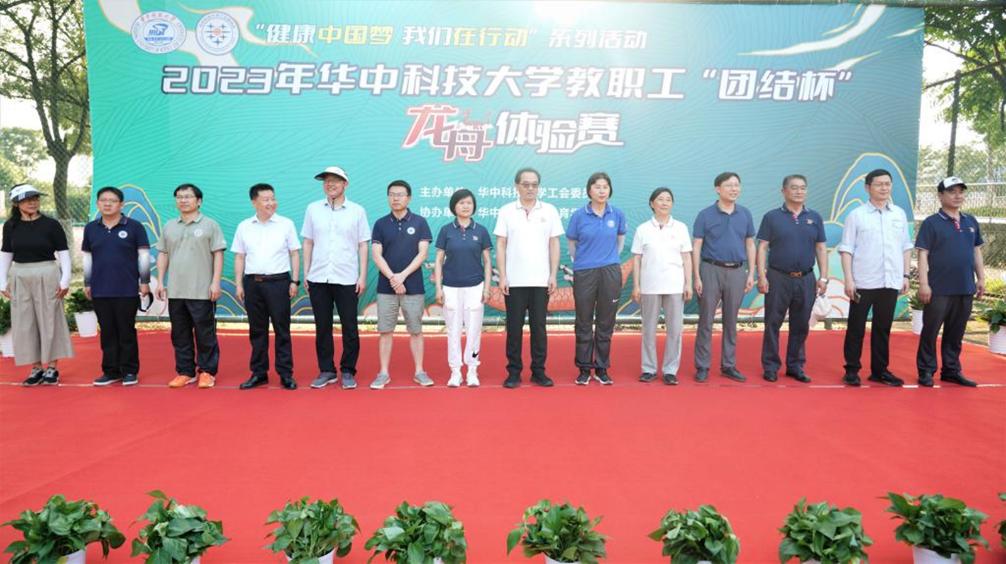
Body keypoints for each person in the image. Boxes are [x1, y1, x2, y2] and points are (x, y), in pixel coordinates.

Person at [837, 168, 913, 387]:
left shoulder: (898, 214)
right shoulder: (856, 215)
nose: (884, 188)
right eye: (879, 184)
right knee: (856, 328)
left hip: (890, 281)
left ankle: (880, 371)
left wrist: (905, 275)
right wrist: (849, 279)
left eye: (887, 184)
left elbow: (906, 246)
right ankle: (852, 370)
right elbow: (847, 249)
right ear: (867, 187)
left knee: (883, 328)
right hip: (863, 282)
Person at [494, 167, 564, 388]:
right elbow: (501, 244)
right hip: (514, 281)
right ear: (517, 186)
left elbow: (554, 243)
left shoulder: (549, 210)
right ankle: (514, 372)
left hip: (541, 281)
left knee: (539, 328)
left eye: (534, 184)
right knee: (514, 329)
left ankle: (538, 371)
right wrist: (503, 276)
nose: (530, 188)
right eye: (526, 184)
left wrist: (553, 275)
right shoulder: (507, 211)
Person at [302, 166, 370, 390]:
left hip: (347, 277)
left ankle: (348, 370)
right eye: (326, 181)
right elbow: (308, 242)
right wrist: (306, 273)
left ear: (345, 184)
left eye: (335, 180)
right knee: (322, 326)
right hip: (318, 277)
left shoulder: (357, 211)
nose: (330, 184)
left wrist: (362, 276)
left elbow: (363, 245)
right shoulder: (313, 209)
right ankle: (327, 370)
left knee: (350, 326)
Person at [755, 175, 828, 383]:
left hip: (806, 278)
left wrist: (824, 277)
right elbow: (762, 247)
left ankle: (795, 366)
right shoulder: (772, 217)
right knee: (772, 323)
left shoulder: (814, 217)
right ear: (784, 191)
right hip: (778, 277)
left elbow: (821, 248)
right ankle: (771, 366)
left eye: (803, 188)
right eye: (794, 188)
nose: (799, 192)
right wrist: (762, 276)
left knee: (801, 324)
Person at [154, 183, 226, 389]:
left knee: (205, 333)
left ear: (199, 201)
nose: (183, 200)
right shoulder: (170, 226)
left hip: (202, 290)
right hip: (176, 290)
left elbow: (218, 254)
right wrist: (160, 281)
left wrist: (215, 282)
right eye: (179, 197)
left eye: (188, 196)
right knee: (180, 333)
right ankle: (185, 371)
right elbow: (163, 254)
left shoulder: (210, 225)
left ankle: (207, 371)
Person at [915, 176, 986, 387]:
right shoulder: (931, 223)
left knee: (956, 333)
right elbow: (923, 254)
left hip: (965, 287)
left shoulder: (970, 221)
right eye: (952, 191)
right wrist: (924, 283)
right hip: (938, 288)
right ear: (940, 196)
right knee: (930, 331)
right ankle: (926, 371)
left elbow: (976, 251)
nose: (957, 196)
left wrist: (981, 278)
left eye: (961, 191)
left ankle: (951, 370)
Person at [0, 184, 73, 385]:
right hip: (20, 275)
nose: (32, 202)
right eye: (26, 199)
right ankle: (36, 368)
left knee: (50, 319)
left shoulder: (51, 225)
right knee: (25, 322)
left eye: (35, 198)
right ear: (16, 203)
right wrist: (2, 282)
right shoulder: (10, 226)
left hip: (47, 273)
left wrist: (65, 280)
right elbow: (6, 254)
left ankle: (52, 368)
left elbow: (64, 253)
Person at [231, 183, 301, 390]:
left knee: (282, 329)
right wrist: (238, 284)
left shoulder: (286, 224)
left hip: (279, 283)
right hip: (253, 283)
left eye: (273, 198)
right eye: (266, 199)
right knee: (257, 330)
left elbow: (294, 253)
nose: (271, 203)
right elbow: (240, 257)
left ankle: (285, 373)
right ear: (254, 202)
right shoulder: (244, 226)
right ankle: (259, 373)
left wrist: (294, 281)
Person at [82, 186, 151, 386]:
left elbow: (144, 256)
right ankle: (111, 371)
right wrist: (87, 282)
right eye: (103, 200)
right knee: (107, 331)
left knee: (126, 330)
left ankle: (129, 371)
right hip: (100, 288)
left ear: (121, 204)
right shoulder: (91, 228)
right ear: (98, 204)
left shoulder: (134, 227)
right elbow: (87, 257)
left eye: (112, 201)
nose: (107, 204)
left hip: (127, 288)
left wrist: (144, 281)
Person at [692, 172, 756, 383]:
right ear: (717, 189)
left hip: (737, 271)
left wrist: (751, 273)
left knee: (731, 320)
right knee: (706, 320)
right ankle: (702, 366)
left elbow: (750, 244)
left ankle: (728, 365)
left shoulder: (745, 214)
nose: (734, 189)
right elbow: (697, 246)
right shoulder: (705, 215)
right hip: (711, 270)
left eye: (737, 185)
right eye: (729, 185)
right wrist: (696, 276)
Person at [370, 180, 433, 389]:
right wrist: (393, 278)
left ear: (409, 198)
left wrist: (402, 276)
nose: (395, 198)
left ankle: (420, 371)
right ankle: (383, 373)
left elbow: (422, 254)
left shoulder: (420, 222)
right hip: (386, 287)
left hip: (413, 286)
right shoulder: (380, 224)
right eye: (392, 194)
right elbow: (376, 255)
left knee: (415, 330)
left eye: (400, 194)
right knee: (385, 331)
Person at [567, 172, 627, 385]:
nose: (602, 191)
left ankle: (601, 368)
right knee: (583, 320)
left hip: (610, 271)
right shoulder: (579, 215)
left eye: (605, 187)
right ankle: (584, 368)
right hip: (585, 271)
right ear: (589, 190)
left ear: (610, 190)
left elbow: (620, 242)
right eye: (597, 187)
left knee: (605, 321)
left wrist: (609, 259)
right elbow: (572, 244)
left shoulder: (617, 214)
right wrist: (584, 261)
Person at [631, 187, 692, 385]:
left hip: (675, 285)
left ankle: (670, 370)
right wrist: (636, 285)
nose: (664, 203)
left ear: (672, 204)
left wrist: (688, 283)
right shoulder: (642, 229)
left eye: (668, 199)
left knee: (675, 330)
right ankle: (648, 368)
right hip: (649, 286)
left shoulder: (680, 228)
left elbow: (687, 257)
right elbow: (637, 259)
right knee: (648, 329)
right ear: (652, 203)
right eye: (660, 199)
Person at [434, 189, 492, 387]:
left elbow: (487, 261)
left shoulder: (481, 230)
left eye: (469, 203)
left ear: (473, 206)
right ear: (454, 207)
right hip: (450, 287)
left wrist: (486, 288)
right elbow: (439, 260)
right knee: (453, 330)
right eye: (461, 203)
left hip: (475, 286)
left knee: (474, 330)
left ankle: (473, 370)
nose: (465, 206)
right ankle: (456, 371)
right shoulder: (446, 230)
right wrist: (439, 288)